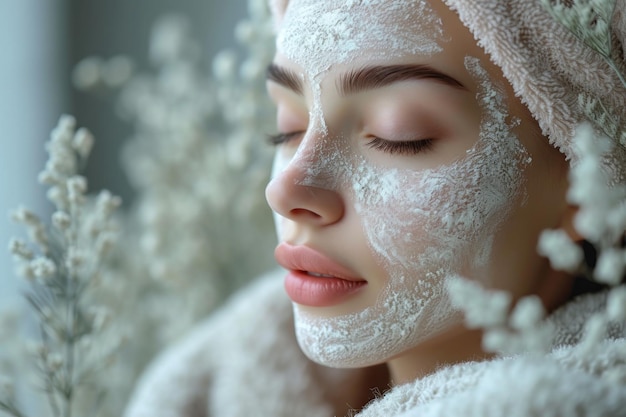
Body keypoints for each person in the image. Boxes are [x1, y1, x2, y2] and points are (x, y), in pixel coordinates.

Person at [124, 0, 626, 416]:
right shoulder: (210, 392)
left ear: (588, 181)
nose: (287, 188)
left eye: (398, 137)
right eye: (289, 125)